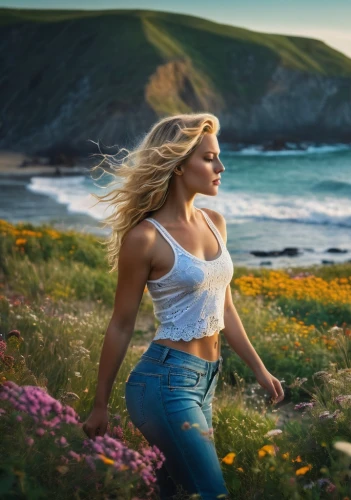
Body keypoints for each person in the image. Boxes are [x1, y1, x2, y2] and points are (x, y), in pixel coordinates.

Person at [82, 113, 285, 499]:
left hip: (204, 382)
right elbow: (121, 325)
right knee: (211, 492)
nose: (220, 167)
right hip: (164, 384)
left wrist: (259, 368)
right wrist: (99, 404)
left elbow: (225, 308)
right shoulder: (144, 237)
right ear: (178, 165)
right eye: (209, 158)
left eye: (218, 157)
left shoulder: (215, 222)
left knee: (174, 492)